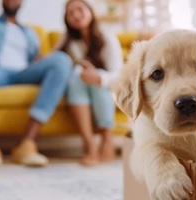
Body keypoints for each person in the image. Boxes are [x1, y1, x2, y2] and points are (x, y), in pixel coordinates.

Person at [0, 0, 72, 166]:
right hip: (1, 71)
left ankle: (26, 143)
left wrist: (41, 59)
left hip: (25, 71)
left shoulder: (30, 33)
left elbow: (36, 57)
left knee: (61, 60)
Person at [58, 0, 123, 166]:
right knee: (78, 74)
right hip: (79, 86)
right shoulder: (68, 41)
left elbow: (120, 75)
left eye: (79, 9)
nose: (75, 15)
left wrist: (99, 78)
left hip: (105, 89)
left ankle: (107, 138)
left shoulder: (107, 37)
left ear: (90, 11)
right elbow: (54, 57)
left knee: (96, 82)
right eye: (70, 13)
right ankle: (89, 144)